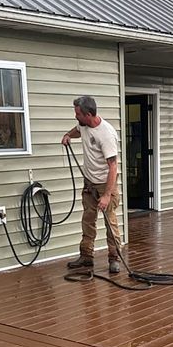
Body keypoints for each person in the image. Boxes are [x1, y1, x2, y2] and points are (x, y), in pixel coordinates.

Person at [61, 95, 122, 274]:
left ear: (88, 114)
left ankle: (114, 257)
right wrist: (67, 135)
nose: (75, 116)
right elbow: (78, 130)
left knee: (110, 221)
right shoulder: (84, 125)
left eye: (78, 113)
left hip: (105, 184)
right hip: (89, 182)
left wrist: (106, 195)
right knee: (88, 219)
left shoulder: (106, 134)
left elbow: (113, 167)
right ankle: (86, 256)